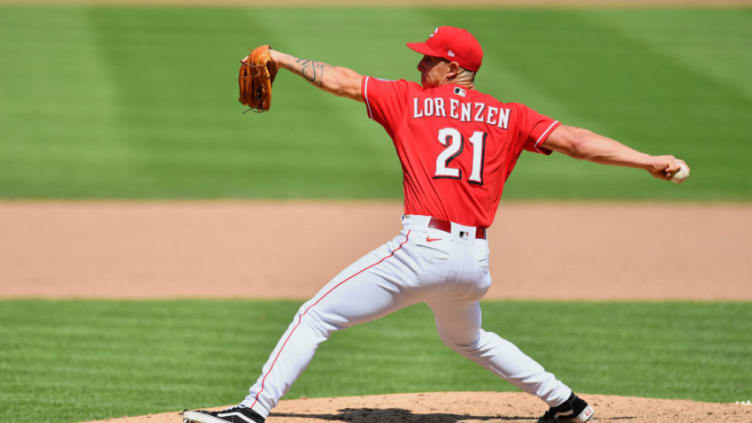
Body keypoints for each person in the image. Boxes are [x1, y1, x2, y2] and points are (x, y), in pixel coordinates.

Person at [184, 26, 688, 423]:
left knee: (315, 315)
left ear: (452, 67)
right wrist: (646, 159)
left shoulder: (407, 99)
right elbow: (577, 141)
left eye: (428, 57)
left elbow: (339, 79)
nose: (419, 62)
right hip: (473, 263)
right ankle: (567, 403)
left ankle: (251, 411)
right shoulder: (509, 116)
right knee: (467, 339)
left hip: (421, 251)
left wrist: (283, 59)